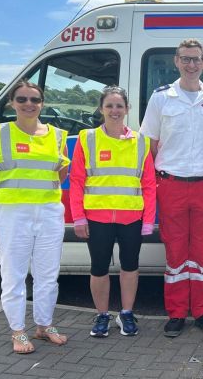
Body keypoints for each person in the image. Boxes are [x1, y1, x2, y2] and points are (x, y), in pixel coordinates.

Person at [139, 38, 203, 337]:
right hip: (171, 185)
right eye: (185, 59)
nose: (191, 64)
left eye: (196, 59)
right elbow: (150, 145)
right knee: (176, 252)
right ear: (176, 61)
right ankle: (177, 312)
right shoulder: (161, 99)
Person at [0, 80, 69, 354]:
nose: (29, 104)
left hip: (50, 212)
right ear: (11, 103)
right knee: (14, 275)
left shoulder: (58, 135)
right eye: (22, 99)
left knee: (48, 274)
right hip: (13, 214)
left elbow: (60, 175)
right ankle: (18, 331)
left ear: (42, 103)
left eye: (35, 100)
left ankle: (44, 325)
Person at [69, 86, 156, 338]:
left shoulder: (141, 141)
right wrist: (78, 216)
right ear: (101, 109)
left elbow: (148, 183)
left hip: (132, 217)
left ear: (127, 109)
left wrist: (148, 219)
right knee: (99, 268)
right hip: (97, 218)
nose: (114, 110)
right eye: (109, 106)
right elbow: (77, 181)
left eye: (119, 106)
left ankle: (126, 314)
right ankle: (102, 315)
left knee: (130, 267)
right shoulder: (88, 138)